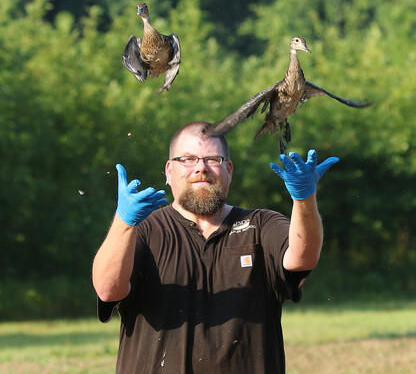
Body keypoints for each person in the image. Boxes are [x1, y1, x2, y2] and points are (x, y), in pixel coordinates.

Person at [92, 121, 339, 374]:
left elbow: (302, 258)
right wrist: (124, 222)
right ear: (169, 170)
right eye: (187, 159)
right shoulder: (142, 231)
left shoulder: (261, 225)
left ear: (229, 169)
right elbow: (108, 290)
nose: (201, 168)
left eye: (213, 159)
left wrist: (304, 198)